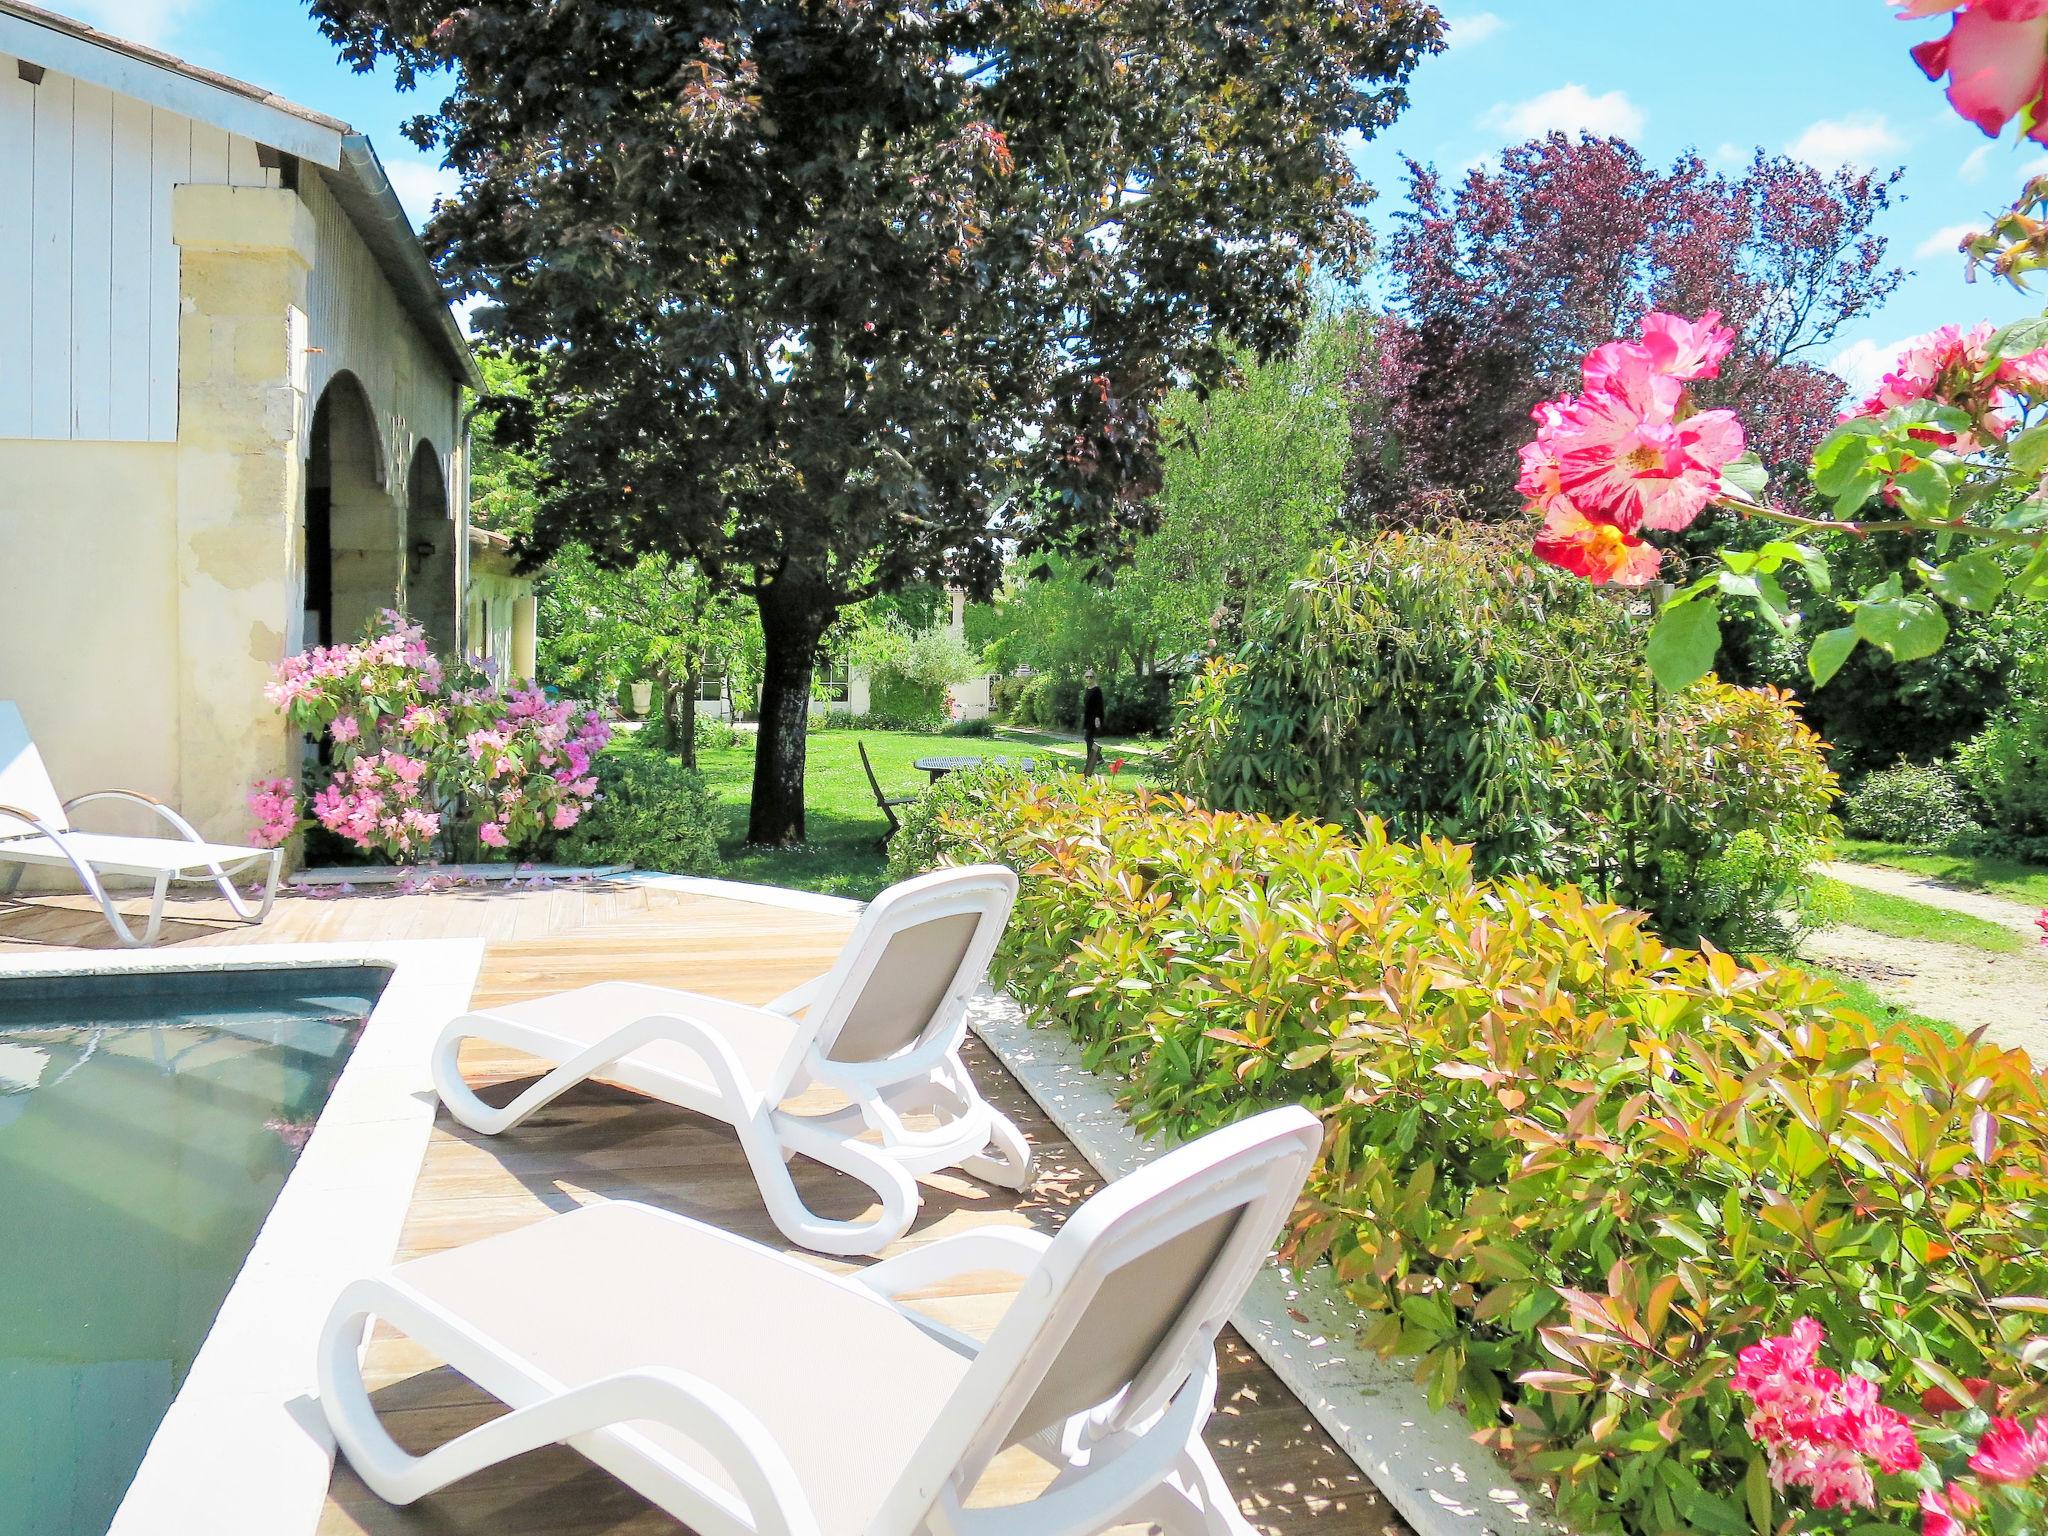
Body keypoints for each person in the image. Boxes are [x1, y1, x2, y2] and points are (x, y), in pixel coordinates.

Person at [1082, 669, 1106, 775]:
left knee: (1088, 738)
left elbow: (1099, 705)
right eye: (1087, 677)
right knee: (1088, 738)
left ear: (1094, 678)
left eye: (1090, 677)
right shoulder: (1087, 689)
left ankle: (1092, 759)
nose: (1088, 679)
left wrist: (1097, 718)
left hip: (1094, 717)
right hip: (1087, 716)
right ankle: (1098, 758)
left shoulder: (1097, 690)